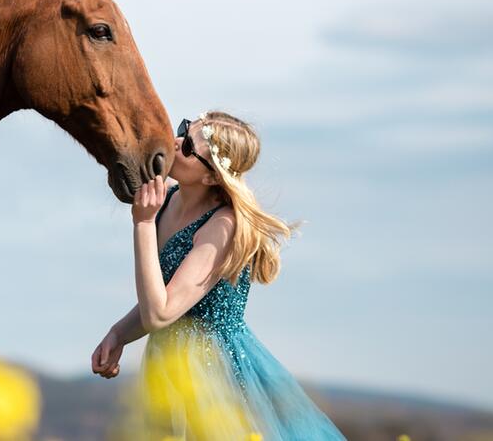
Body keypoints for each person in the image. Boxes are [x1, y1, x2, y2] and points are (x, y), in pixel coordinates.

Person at [91, 111, 346, 440]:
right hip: (169, 362)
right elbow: (166, 300)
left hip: (211, 373)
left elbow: (160, 312)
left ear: (212, 177)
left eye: (188, 147)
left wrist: (141, 225)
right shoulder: (166, 199)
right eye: (183, 129)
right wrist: (119, 333)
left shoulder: (222, 225)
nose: (175, 141)